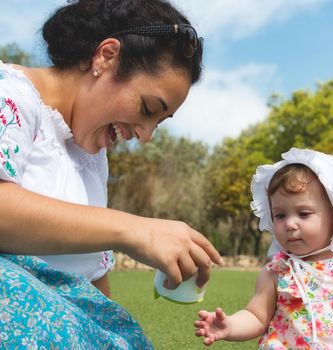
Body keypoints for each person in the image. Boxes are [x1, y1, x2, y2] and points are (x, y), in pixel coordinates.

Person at [0, 0, 222, 347]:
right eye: (148, 108)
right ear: (106, 57)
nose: (145, 135)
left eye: (158, 124)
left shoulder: (92, 155)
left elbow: (92, 278)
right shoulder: (9, 95)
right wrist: (133, 229)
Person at [194, 148, 333, 349]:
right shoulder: (277, 270)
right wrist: (230, 325)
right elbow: (256, 315)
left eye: (303, 214)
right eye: (280, 215)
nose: (290, 224)